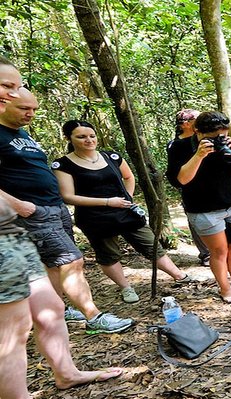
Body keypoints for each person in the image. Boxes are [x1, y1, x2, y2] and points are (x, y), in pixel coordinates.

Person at [0, 56, 122, 399]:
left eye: (16, 85)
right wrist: (14, 201)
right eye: (7, 86)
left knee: (50, 307)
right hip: (7, 230)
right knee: (14, 324)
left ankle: (67, 373)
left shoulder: (18, 133)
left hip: (12, 232)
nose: (14, 93)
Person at [0, 87, 133, 333]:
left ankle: (58, 307)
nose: (30, 114)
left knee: (53, 264)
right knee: (72, 261)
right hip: (32, 211)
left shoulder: (21, 134)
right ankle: (94, 317)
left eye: (34, 109)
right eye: (24, 108)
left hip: (54, 208)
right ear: (3, 102)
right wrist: (18, 205)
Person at [52, 119, 193, 304]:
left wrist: (128, 197)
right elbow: (68, 196)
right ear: (69, 138)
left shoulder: (112, 157)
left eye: (92, 136)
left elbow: (128, 177)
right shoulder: (63, 165)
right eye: (81, 137)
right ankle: (125, 288)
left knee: (150, 244)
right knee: (108, 254)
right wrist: (108, 202)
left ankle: (178, 275)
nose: (89, 140)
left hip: (125, 211)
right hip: (94, 217)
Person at [166, 111, 231, 303]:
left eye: (221, 135)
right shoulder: (180, 147)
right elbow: (180, 180)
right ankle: (225, 289)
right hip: (204, 209)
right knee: (219, 251)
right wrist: (199, 155)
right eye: (212, 137)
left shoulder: (226, 143)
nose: (217, 140)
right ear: (197, 131)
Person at [168, 109, 210, 266]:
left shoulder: (204, 138)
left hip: (212, 187)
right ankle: (206, 254)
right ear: (185, 124)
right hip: (191, 190)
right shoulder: (175, 145)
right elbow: (176, 173)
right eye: (196, 119)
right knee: (196, 221)